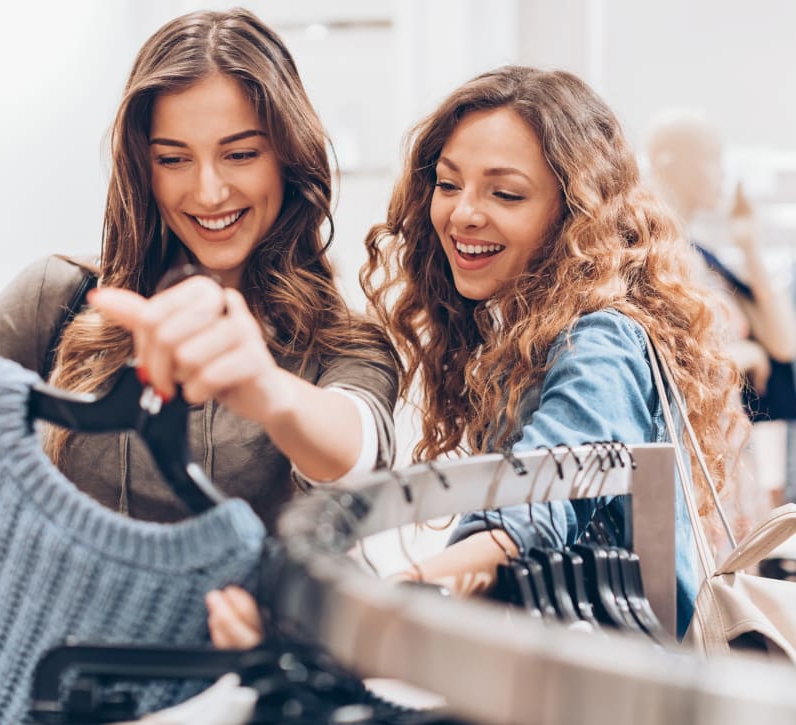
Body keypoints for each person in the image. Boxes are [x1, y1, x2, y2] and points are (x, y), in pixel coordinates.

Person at [0, 8, 398, 641]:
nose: (208, 192)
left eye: (239, 154)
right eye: (173, 159)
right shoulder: (61, 301)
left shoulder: (347, 347)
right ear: (140, 167)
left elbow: (353, 449)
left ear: (287, 158)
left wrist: (268, 390)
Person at [207, 65, 747, 648]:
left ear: (576, 213)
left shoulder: (599, 342)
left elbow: (541, 498)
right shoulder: (518, 335)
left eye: (506, 193)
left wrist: (373, 605)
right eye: (448, 184)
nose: (463, 212)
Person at [644, 109, 796, 519]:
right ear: (668, 163)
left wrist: (750, 245)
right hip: (694, 464)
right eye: (711, 157)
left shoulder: (701, 256)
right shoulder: (649, 253)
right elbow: (663, 367)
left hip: (727, 457)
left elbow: (784, 343)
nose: (721, 172)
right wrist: (745, 355)